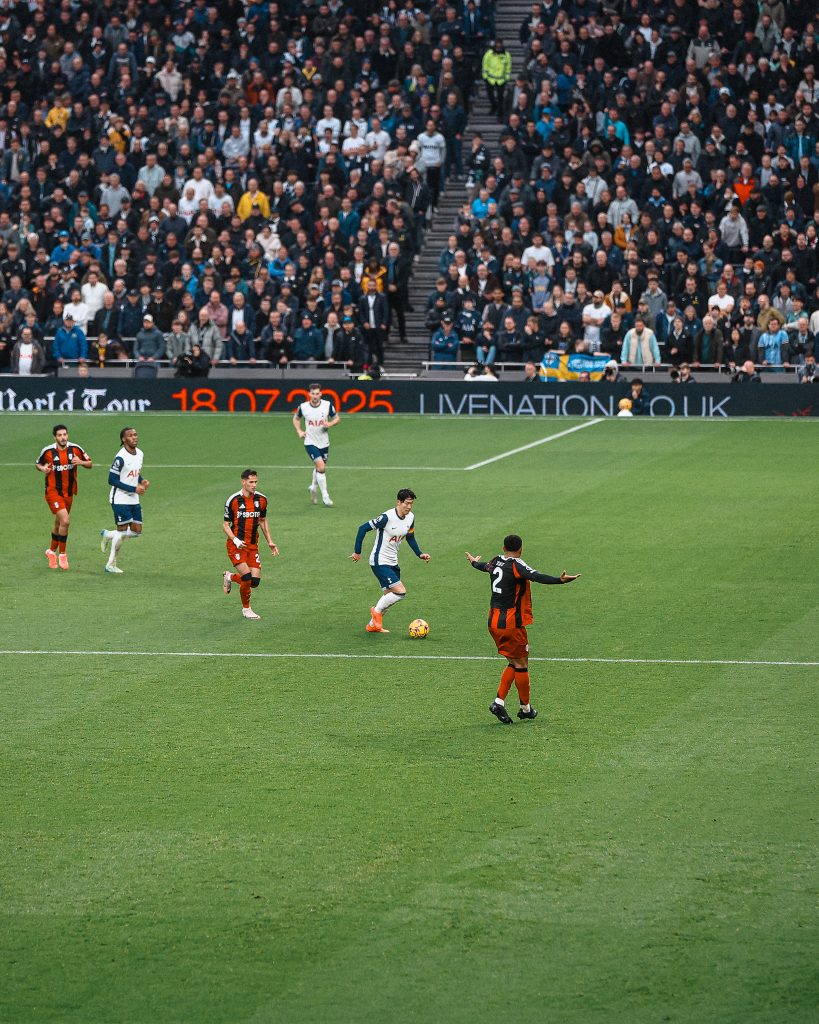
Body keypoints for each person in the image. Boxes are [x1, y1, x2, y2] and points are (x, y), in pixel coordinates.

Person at [465, 536, 580, 724]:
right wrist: (559, 580)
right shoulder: (517, 565)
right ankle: (517, 706)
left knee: (516, 661)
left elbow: (483, 566)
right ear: (521, 549)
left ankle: (510, 704)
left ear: (503, 548)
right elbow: (536, 576)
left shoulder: (495, 561)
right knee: (521, 664)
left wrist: (473, 562)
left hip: (493, 622)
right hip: (511, 624)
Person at [351, 488, 430, 633]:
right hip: (379, 561)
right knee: (400, 592)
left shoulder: (410, 517)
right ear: (398, 502)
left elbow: (410, 538)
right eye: (406, 503)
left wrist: (420, 554)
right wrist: (357, 552)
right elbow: (362, 528)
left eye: (411, 503)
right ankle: (376, 611)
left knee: (389, 597)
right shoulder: (386, 517)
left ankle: (372, 626)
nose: (409, 506)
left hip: (393, 562)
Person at [222, 469, 279, 621]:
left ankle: (230, 576)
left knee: (254, 582)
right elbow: (226, 525)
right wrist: (235, 540)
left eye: (256, 482)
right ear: (243, 482)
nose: (254, 485)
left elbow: (262, 521)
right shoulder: (233, 500)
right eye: (251, 482)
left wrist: (270, 542)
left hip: (252, 545)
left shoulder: (261, 500)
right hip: (236, 546)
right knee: (246, 578)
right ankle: (246, 609)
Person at [35, 423, 92, 570]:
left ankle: (51, 552)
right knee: (65, 521)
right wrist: (43, 468)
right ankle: (63, 555)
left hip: (69, 492)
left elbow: (90, 463)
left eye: (65, 434)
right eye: (60, 435)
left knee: (58, 524)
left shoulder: (75, 449)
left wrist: (81, 462)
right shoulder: (47, 451)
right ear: (55, 437)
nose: (63, 437)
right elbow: (38, 463)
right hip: (53, 492)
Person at [100, 427, 149, 574]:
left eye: (135, 434)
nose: (134, 437)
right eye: (130, 435)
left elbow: (135, 472)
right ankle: (110, 564)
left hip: (133, 499)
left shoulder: (140, 453)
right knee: (121, 532)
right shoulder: (120, 457)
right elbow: (112, 480)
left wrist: (141, 480)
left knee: (137, 531)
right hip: (120, 499)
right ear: (123, 439)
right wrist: (134, 489)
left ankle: (108, 534)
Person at [292, 383, 340, 507]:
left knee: (319, 467)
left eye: (317, 393)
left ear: (321, 394)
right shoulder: (303, 407)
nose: (315, 396)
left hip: (324, 442)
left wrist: (330, 424)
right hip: (310, 441)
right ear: (309, 394)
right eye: (313, 393)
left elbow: (337, 418)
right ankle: (325, 496)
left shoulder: (327, 405)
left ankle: (313, 487)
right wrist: (299, 431)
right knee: (321, 467)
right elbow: (296, 419)